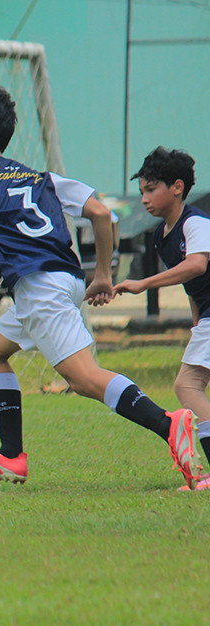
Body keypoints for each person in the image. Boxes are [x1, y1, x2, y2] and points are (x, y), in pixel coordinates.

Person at [0, 85, 200, 488]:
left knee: (83, 378)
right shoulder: (38, 176)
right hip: (59, 281)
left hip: (39, 287)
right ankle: (11, 456)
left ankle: (168, 423)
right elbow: (100, 213)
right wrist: (101, 274)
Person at [113, 147, 210, 490]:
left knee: (188, 385)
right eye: (141, 191)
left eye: (151, 189)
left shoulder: (195, 222)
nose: (144, 198)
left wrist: (143, 284)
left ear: (177, 187)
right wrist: (196, 320)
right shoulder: (160, 236)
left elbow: (197, 265)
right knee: (191, 385)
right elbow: (193, 283)